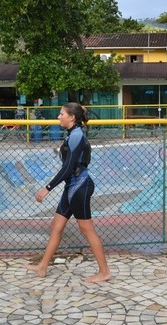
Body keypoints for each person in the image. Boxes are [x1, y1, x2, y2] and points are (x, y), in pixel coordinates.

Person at [25, 102, 111, 283]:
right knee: (56, 227)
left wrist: (47, 188)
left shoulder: (77, 135)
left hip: (80, 186)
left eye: (61, 113)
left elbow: (68, 167)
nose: (58, 116)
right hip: (72, 187)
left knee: (87, 229)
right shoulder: (73, 133)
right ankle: (42, 267)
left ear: (71, 117)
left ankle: (104, 272)